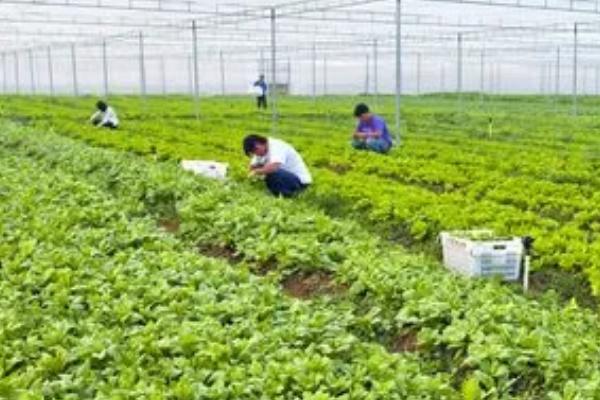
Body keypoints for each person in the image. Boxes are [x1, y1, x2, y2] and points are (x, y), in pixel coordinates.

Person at [243, 134, 312, 198]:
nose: (256, 155)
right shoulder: (261, 150)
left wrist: (257, 172)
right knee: (266, 170)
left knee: (272, 172)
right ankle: (278, 193)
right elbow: (252, 167)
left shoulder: (277, 146)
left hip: (300, 182)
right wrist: (255, 170)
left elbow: (274, 168)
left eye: (255, 152)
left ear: (257, 146)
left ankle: (289, 195)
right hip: (286, 178)